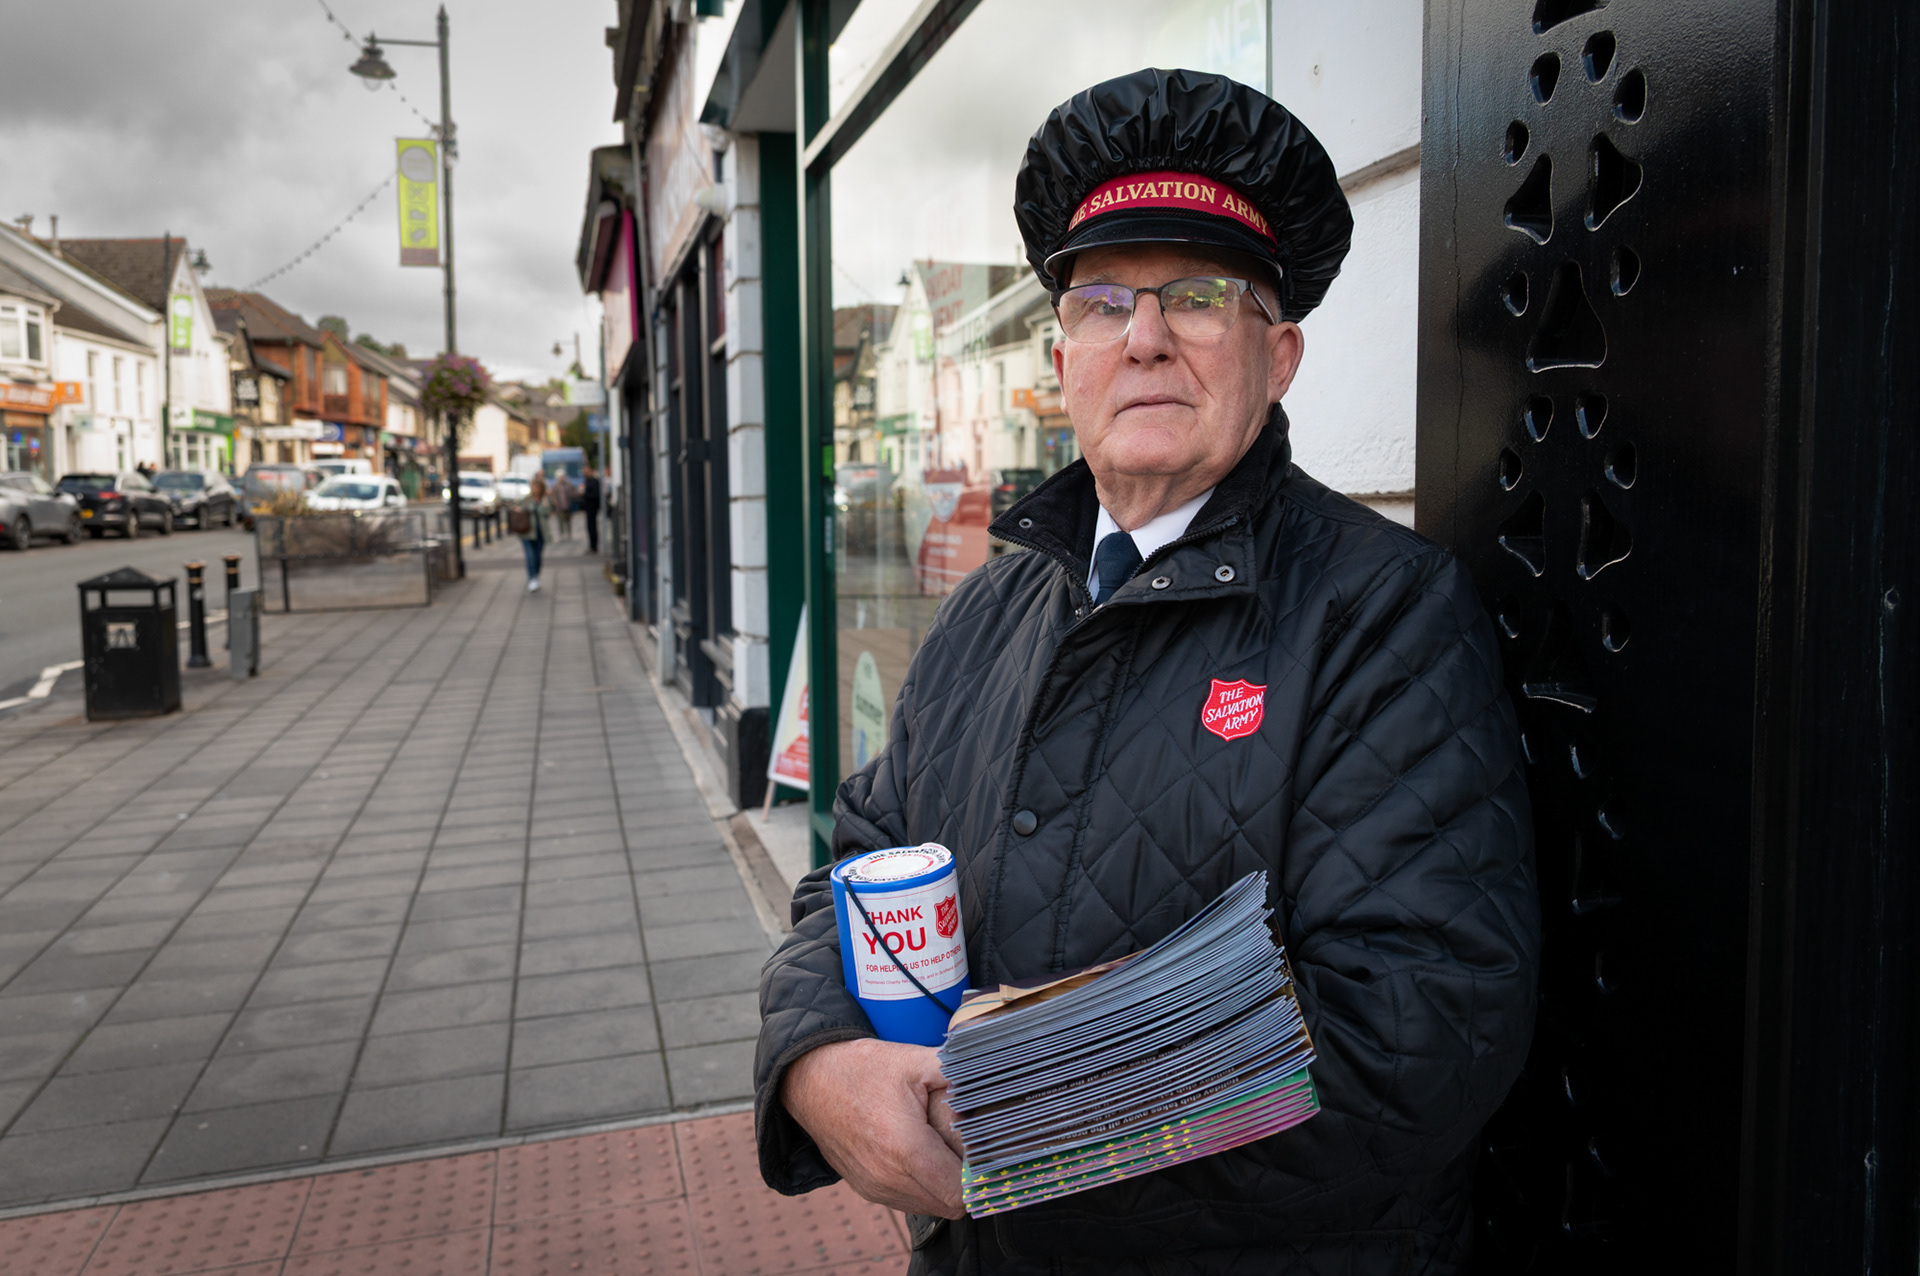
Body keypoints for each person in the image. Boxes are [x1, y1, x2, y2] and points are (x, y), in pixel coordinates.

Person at [754, 69, 1539, 1274]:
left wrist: (1003, 1117)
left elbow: (1418, 1029)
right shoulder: (985, 611)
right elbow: (862, 862)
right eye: (1104, 299)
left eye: (1200, 296)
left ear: (1278, 356)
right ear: (1061, 358)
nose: (1147, 336)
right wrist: (816, 1063)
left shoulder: (1384, 614)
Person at [516, 473, 550, 593]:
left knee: (538, 557)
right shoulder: (526, 499)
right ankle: (532, 579)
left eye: (537, 487)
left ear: (541, 489)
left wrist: (545, 503)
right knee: (530, 556)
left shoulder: (544, 499)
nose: (534, 489)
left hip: (540, 533)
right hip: (527, 533)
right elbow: (519, 510)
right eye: (533, 487)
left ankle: (535, 575)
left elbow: (547, 512)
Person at [580, 465, 602, 554]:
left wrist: (584, 494)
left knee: (592, 527)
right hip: (588, 508)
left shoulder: (594, 482)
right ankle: (592, 546)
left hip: (593, 507)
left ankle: (594, 547)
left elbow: (595, 495)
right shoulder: (587, 481)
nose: (585, 474)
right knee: (589, 527)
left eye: (587, 472)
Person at [548, 471, 574, 540]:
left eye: (563, 477)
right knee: (561, 521)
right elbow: (553, 495)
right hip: (560, 506)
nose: (562, 478)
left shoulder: (567, 484)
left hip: (568, 505)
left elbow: (572, 491)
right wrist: (555, 501)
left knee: (568, 520)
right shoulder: (556, 485)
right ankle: (562, 534)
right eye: (561, 477)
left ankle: (569, 533)